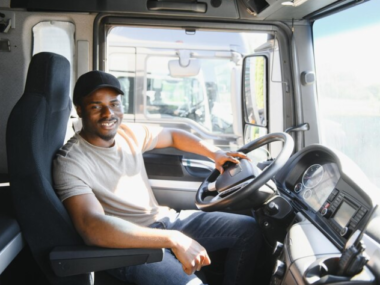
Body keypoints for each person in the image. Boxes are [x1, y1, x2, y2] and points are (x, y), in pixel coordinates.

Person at [53, 70, 263, 285]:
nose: (109, 113)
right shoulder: (71, 161)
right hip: (129, 246)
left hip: (166, 221)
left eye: (114, 104)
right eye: (96, 106)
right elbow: (92, 227)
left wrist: (214, 154)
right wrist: (172, 239)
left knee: (248, 230)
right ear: (79, 110)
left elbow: (172, 135)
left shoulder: (128, 134)